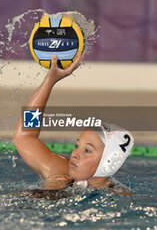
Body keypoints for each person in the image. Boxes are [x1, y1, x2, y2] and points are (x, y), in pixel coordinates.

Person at [13, 52, 135, 199]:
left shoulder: (119, 198)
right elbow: (24, 136)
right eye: (77, 145)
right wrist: (50, 81)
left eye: (87, 151)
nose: (75, 154)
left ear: (109, 162)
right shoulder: (59, 171)